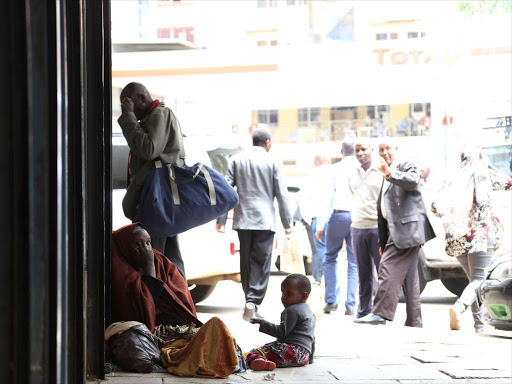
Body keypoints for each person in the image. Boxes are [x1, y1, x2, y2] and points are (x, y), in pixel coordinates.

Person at [355, 138, 435, 327]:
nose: (385, 153)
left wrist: (391, 173)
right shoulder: (385, 172)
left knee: (387, 268)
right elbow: (385, 211)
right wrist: (383, 242)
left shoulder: (404, 166)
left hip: (408, 230)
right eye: (381, 150)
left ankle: (380, 313)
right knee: (410, 278)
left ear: (396, 149)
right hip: (400, 231)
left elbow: (413, 181)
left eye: (388, 149)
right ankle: (415, 321)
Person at [432, 146, 512, 332]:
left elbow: (435, 207)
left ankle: (479, 325)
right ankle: (459, 307)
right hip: (480, 236)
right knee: (479, 279)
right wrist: (489, 166)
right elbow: (508, 183)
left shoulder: (453, 177)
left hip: (458, 238)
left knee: (473, 281)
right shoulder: (483, 175)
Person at [216, 128, 293, 320]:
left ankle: (249, 301)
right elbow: (281, 194)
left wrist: (221, 219)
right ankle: (253, 301)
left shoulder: (236, 160)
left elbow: (226, 190)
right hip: (264, 220)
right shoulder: (273, 161)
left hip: (243, 219)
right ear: (267, 143)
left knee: (246, 263)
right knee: (262, 262)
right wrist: (287, 223)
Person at [117, 82, 187, 279]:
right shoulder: (155, 117)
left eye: (130, 104)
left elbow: (148, 149)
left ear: (141, 98)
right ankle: (175, 303)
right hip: (161, 198)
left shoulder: (159, 114)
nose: (131, 111)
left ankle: (158, 302)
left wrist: (128, 118)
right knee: (169, 258)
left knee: (154, 258)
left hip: (157, 199)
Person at [111, 223, 201, 333]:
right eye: (138, 244)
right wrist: (149, 266)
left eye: (148, 243)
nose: (146, 249)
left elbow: (181, 304)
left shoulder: (161, 263)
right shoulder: (120, 270)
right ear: (125, 247)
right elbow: (143, 310)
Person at [315, 141, 359, 315]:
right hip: (357, 218)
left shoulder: (335, 169)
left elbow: (327, 198)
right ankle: (350, 305)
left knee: (330, 257)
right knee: (354, 262)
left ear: (341, 152)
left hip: (338, 216)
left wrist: (320, 225)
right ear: (356, 152)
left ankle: (332, 301)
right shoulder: (361, 168)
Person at [247, 274, 316, 371]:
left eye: (288, 294)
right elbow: (311, 337)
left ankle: (258, 360)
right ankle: (267, 363)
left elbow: (281, 332)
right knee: (274, 353)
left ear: (303, 296)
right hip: (303, 357)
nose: (283, 297)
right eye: (282, 293)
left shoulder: (292, 311)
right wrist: (310, 358)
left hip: (290, 352)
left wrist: (262, 323)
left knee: (254, 353)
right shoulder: (310, 312)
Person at [348, 140, 383, 318]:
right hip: (357, 227)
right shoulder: (352, 173)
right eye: (357, 150)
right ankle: (363, 311)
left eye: (364, 150)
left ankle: (380, 312)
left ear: (372, 150)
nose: (361, 153)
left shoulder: (381, 172)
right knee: (363, 272)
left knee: (381, 271)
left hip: (376, 227)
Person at [297, 155, 331, 284]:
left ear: (315, 162)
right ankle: (329, 279)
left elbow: (303, 198)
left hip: (316, 218)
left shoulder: (312, 175)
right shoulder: (334, 173)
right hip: (333, 217)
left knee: (317, 251)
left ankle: (319, 279)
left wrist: (308, 219)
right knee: (331, 252)